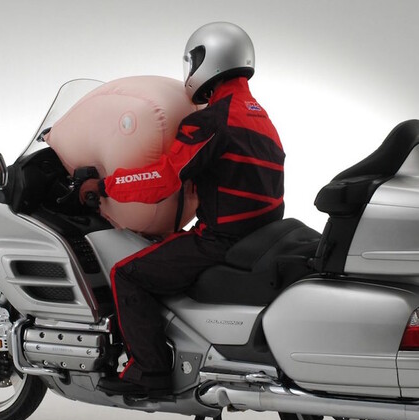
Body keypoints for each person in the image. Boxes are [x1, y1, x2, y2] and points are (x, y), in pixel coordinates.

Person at [80, 21, 285, 395]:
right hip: (260, 238)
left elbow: (164, 178)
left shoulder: (213, 119)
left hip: (221, 241)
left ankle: (150, 371)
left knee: (128, 274)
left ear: (208, 59)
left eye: (192, 61)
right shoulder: (259, 115)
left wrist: (106, 186)